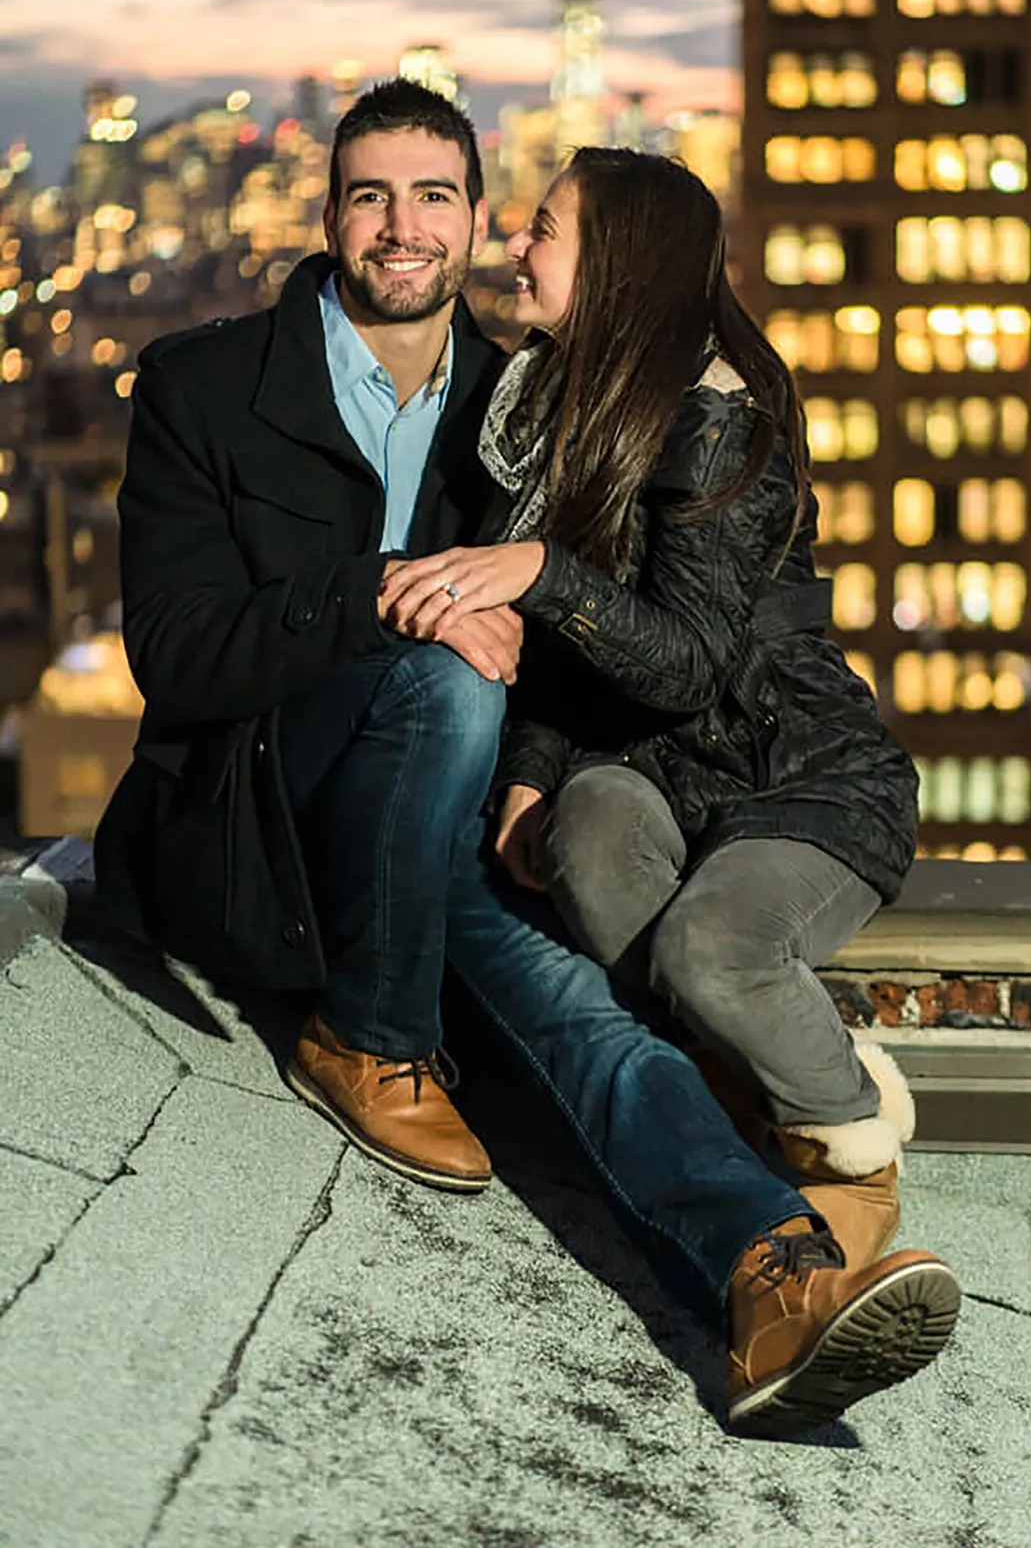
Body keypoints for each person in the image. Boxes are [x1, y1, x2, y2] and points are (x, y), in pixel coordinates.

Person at [96, 81, 959, 1433]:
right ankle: (368, 1035)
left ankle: (771, 1277)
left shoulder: (527, 404)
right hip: (272, 801)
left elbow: (598, 634)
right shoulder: (207, 383)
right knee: (443, 676)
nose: (402, 225)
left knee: (579, 1008)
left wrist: (534, 774)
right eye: (369, 192)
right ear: (327, 212)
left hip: (446, 820)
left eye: (434, 194)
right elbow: (179, 655)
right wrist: (389, 593)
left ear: (477, 219)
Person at [380, 147, 927, 1279]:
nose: (517, 249)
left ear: (621, 266)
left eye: (545, 231)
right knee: (577, 840)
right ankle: (733, 1121)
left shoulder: (718, 422)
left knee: (710, 951)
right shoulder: (556, 404)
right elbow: (564, 664)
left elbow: (682, 665)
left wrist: (539, 568)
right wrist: (531, 764)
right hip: (645, 766)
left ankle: (847, 1146)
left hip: (792, 776)